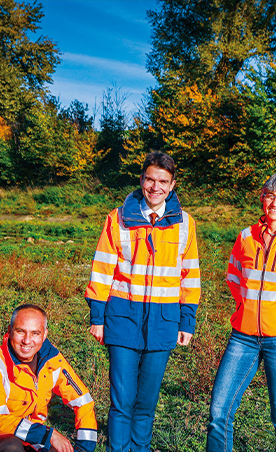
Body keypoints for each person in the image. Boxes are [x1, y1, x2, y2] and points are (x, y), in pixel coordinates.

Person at [84, 151, 200, 452]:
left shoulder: (185, 224)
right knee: (122, 401)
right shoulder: (117, 219)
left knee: (147, 402)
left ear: (172, 185)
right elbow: (102, 269)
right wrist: (98, 317)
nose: (155, 187)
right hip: (122, 318)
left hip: (163, 323)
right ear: (142, 180)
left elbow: (190, 276)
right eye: (150, 179)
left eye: (163, 181)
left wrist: (187, 320)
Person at [206, 172, 276, 452]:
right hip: (242, 337)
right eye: (271, 196)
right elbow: (234, 278)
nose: (275, 203)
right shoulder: (245, 237)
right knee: (219, 412)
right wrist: (245, 309)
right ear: (262, 199)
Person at [0, 304, 97, 452]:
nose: (27, 341)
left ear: (44, 335)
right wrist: (47, 435)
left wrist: (85, 448)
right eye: (21, 331)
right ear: (10, 331)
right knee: (11, 447)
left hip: (31, 439)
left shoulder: (53, 361)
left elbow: (83, 401)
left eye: (35, 333)